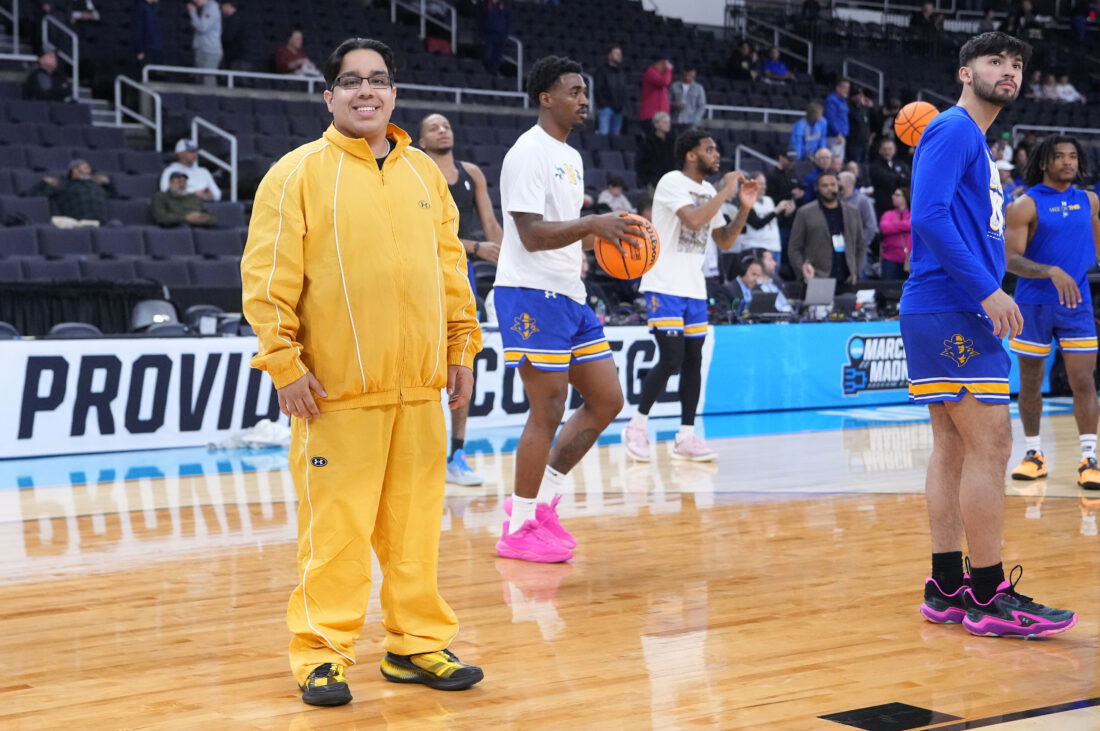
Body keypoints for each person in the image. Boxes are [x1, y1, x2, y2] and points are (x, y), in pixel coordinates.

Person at [241, 38, 485, 706]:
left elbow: (451, 274)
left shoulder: (424, 177)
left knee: (415, 529)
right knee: (337, 534)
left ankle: (415, 644)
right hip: (335, 396)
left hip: (419, 392)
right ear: (329, 96)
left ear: (394, 94)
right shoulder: (296, 174)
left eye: (378, 80)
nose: (366, 91)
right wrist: (284, 366)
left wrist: (462, 349)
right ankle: (321, 650)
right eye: (351, 81)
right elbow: (266, 286)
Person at [902, 32, 1077, 637]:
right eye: (994, 61)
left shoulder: (973, 139)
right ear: (963, 72)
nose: (1008, 70)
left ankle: (947, 584)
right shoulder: (954, 129)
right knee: (991, 445)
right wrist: (987, 289)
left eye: (1016, 63)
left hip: (938, 307)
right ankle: (988, 594)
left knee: (953, 448)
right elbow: (926, 216)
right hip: (952, 307)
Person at [492, 55, 644, 563]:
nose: (584, 100)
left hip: (568, 294)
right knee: (548, 408)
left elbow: (565, 235)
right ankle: (516, 528)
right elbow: (532, 236)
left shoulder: (570, 157)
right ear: (545, 97)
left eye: (585, 92)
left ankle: (542, 503)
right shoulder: (526, 153)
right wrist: (592, 226)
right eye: (574, 91)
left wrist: (611, 242)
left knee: (606, 400)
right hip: (528, 294)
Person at [621, 129, 759, 463]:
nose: (717, 155)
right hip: (664, 283)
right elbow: (695, 220)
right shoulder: (671, 181)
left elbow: (724, 240)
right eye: (710, 149)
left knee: (694, 360)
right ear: (691, 155)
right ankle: (637, 426)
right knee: (671, 358)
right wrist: (727, 190)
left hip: (693, 287)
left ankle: (686, 435)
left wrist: (742, 207)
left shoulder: (709, 191)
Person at [1005, 136, 1100, 489]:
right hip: (1034, 304)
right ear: (1044, 162)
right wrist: (1049, 270)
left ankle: (1089, 459)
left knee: (1084, 380)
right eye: (1059, 156)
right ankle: (1033, 454)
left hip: (1077, 303)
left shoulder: (1089, 201)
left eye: (1073, 156)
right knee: (1031, 382)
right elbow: (1009, 260)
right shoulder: (1025, 205)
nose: (1068, 162)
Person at [418, 112, 503, 486]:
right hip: (421, 274)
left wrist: (507, 255)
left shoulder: (473, 174)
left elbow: (493, 230)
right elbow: (422, 233)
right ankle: (421, 455)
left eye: (446, 125)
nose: (442, 129)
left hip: (460, 276)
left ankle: (457, 454)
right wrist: (477, 247)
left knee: (462, 362)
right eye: (433, 127)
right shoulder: (417, 172)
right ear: (422, 141)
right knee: (421, 365)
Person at [789, 172, 864, 288]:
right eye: (825, 185)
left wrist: (856, 271)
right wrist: (803, 272)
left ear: (838, 186)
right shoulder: (805, 212)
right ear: (817, 188)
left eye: (833, 184)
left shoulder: (852, 212)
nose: (829, 188)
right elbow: (794, 247)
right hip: (817, 277)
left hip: (847, 277)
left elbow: (860, 244)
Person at [31, 158, 119, 225]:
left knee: (116, 224)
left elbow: (114, 196)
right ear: (74, 169)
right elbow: (35, 196)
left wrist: (108, 184)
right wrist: (43, 183)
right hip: (78, 224)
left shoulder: (96, 186)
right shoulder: (64, 185)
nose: (89, 168)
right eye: (85, 166)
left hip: (101, 224)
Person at [838, 170, 877, 272]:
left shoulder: (863, 201)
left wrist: (860, 244)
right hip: (838, 249)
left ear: (847, 183)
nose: (836, 183)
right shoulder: (836, 200)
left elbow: (871, 226)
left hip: (857, 251)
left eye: (839, 180)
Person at [151, 171, 217, 227]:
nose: (182, 185)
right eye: (178, 182)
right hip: (175, 233)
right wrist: (186, 218)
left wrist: (204, 219)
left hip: (199, 230)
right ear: (170, 183)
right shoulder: (161, 197)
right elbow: (161, 217)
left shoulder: (194, 197)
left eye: (184, 182)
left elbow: (213, 218)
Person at [636, 111, 676, 191]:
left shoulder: (673, 141)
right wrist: (648, 180)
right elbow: (641, 163)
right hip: (655, 182)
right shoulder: (648, 142)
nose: (668, 124)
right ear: (656, 124)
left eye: (668, 122)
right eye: (665, 122)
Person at [870, 138, 910, 216]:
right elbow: (885, 178)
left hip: (901, 208)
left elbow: (908, 179)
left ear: (894, 150)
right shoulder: (875, 166)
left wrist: (895, 178)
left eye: (890, 149)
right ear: (880, 150)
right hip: (883, 206)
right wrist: (899, 177)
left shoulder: (901, 164)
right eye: (884, 149)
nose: (887, 152)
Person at [878, 186, 911, 280]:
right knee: (888, 289)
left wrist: (894, 226)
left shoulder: (912, 213)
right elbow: (884, 228)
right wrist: (905, 225)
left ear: (905, 197)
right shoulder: (888, 214)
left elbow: (913, 225)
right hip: (890, 259)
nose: (893, 197)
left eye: (898, 195)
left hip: (908, 259)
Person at [594, 45, 627, 136]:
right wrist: (604, 104)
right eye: (616, 53)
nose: (619, 56)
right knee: (603, 136)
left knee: (616, 137)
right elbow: (597, 89)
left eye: (620, 54)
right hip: (606, 108)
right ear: (610, 56)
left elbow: (623, 90)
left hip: (619, 109)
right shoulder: (602, 71)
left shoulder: (622, 72)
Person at [187, 0, 222, 85]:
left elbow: (203, 27)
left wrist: (193, 13)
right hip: (201, 49)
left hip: (210, 51)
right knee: (199, 79)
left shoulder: (212, 8)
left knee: (208, 79)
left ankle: (212, 97)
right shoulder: (205, 8)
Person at [639, 53, 672, 133]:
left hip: (660, 116)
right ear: (663, 63)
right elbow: (664, 82)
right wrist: (668, 70)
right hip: (651, 116)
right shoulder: (651, 72)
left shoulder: (661, 75)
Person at [479, 0, 510, 76]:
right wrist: (481, 36)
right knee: (487, 55)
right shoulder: (484, 4)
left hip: (501, 35)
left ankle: (492, 73)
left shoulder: (505, 5)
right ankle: (486, 70)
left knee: (497, 57)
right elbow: (479, 21)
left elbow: (508, 21)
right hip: (488, 34)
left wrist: (505, 35)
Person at [824, 79, 850, 162]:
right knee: (834, 161)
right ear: (837, 88)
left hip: (841, 136)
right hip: (834, 136)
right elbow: (830, 118)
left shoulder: (843, 101)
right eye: (844, 87)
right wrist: (837, 133)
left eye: (848, 88)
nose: (846, 90)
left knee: (839, 161)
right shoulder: (831, 100)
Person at [220, 1, 251, 71]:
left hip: (239, 56)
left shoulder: (236, 19)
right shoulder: (237, 18)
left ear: (228, 5)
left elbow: (228, 36)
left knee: (238, 79)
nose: (221, 9)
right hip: (236, 55)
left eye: (222, 6)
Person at [133, 0, 163, 65]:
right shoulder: (140, 6)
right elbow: (137, 29)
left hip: (157, 49)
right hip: (147, 50)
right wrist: (139, 50)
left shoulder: (154, 7)